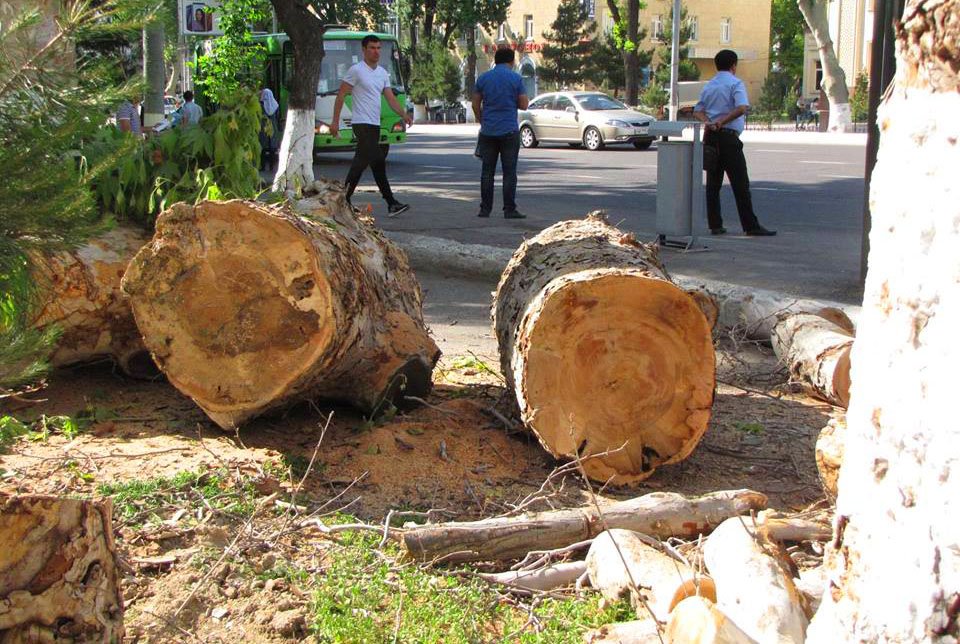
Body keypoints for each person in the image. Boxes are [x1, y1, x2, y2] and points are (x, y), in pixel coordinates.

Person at [694, 49, 776, 236]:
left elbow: (697, 110)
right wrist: (722, 121)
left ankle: (715, 224)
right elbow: (741, 107)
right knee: (740, 183)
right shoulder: (735, 83)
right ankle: (750, 226)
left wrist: (709, 122)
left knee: (713, 183)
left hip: (711, 136)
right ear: (734, 65)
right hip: (729, 136)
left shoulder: (709, 85)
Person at [331, 35, 413, 216]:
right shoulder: (356, 70)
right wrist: (335, 121)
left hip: (374, 124)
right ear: (364, 50)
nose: (376, 52)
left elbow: (390, 98)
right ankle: (389, 202)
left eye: (378, 48)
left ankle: (345, 200)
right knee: (372, 160)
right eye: (372, 48)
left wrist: (403, 114)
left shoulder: (383, 73)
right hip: (361, 123)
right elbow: (341, 95)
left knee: (365, 163)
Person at [472, 47, 529, 219]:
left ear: (496, 60)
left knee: (487, 172)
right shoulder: (516, 78)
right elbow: (524, 104)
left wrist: (481, 119)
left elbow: (475, 104)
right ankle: (509, 209)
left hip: (488, 131)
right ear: (511, 61)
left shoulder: (483, 78)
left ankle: (485, 209)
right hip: (509, 131)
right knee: (509, 172)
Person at [259, 88, 280, 171]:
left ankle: (263, 166)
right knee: (272, 149)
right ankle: (271, 167)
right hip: (272, 128)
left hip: (263, 129)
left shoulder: (261, 104)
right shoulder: (275, 105)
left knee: (263, 148)